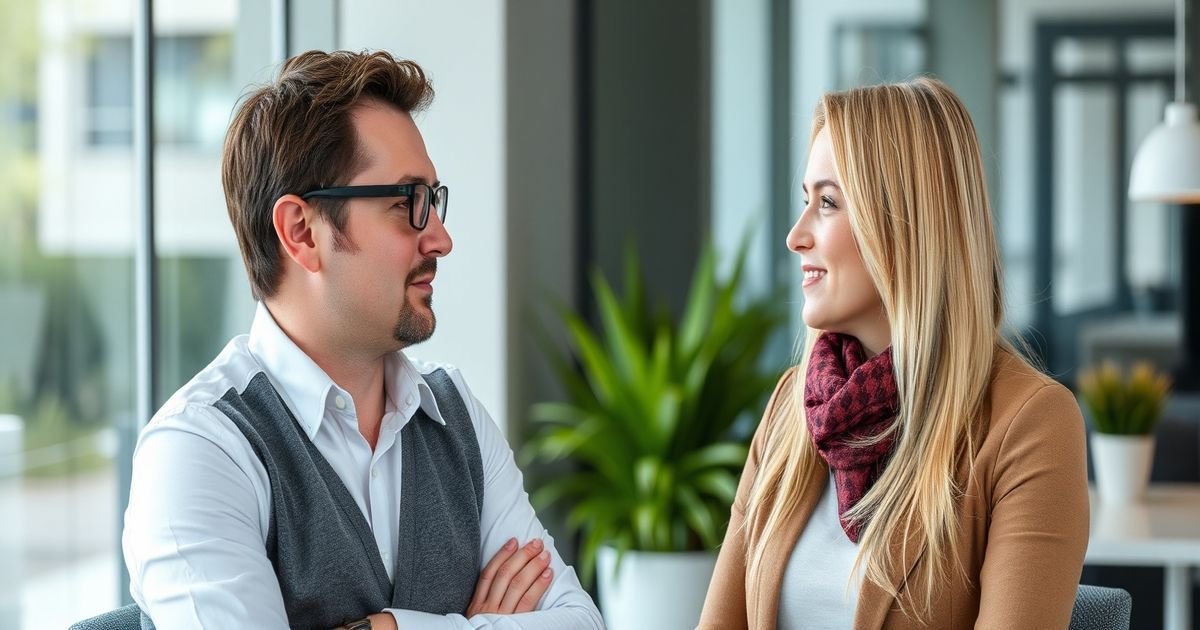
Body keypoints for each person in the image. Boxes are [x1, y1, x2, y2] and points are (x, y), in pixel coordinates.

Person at [122, 50, 603, 630]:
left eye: (434, 200)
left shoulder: (457, 416)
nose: (442, 238)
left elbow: (579, 622)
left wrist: (389, 629)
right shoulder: (199, 452)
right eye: (408, 205)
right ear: (301, 232)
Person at [698, 77, 1089, 629]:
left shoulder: (1030, 424)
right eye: (805, 200)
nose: (795, 235)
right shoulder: (793, 408)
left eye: (827, 203)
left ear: (902, 224)